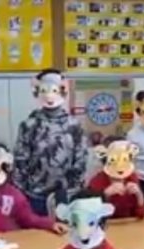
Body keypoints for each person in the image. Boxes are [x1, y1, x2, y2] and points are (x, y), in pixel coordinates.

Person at [13, 68, 88, 216]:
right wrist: (21, 191)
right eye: (44, 89)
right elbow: (20, 160)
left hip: (68, 194)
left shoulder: (74, 125)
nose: (49, 95)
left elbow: (81, 158)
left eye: (55, 89)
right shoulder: (29, 125)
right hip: (35, 195)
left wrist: (75, 187)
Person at [85, 138, 144, 219]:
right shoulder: (97, 181)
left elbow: (141, 215)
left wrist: (139, 195)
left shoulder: (132, 177)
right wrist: (104, 195)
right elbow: (89, 216)